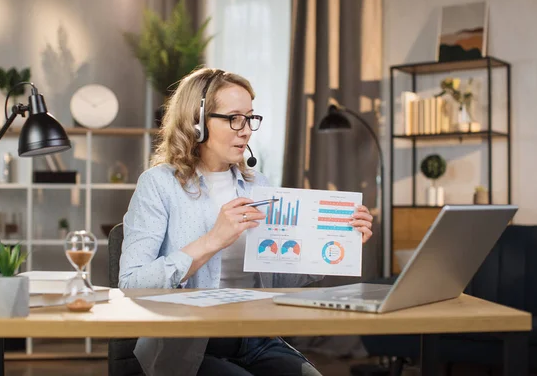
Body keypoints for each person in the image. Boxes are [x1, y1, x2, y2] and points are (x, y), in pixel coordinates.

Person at [119, 68, 374, 376]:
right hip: (189, 344)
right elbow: (131, 285)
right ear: (197, 121)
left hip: (256, 338)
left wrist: (335, 243)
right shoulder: (159, 185)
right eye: (234, 118)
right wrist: (213, 240)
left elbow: (277, 280)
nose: (246, 130)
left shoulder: (258, 185)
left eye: (250, 118)